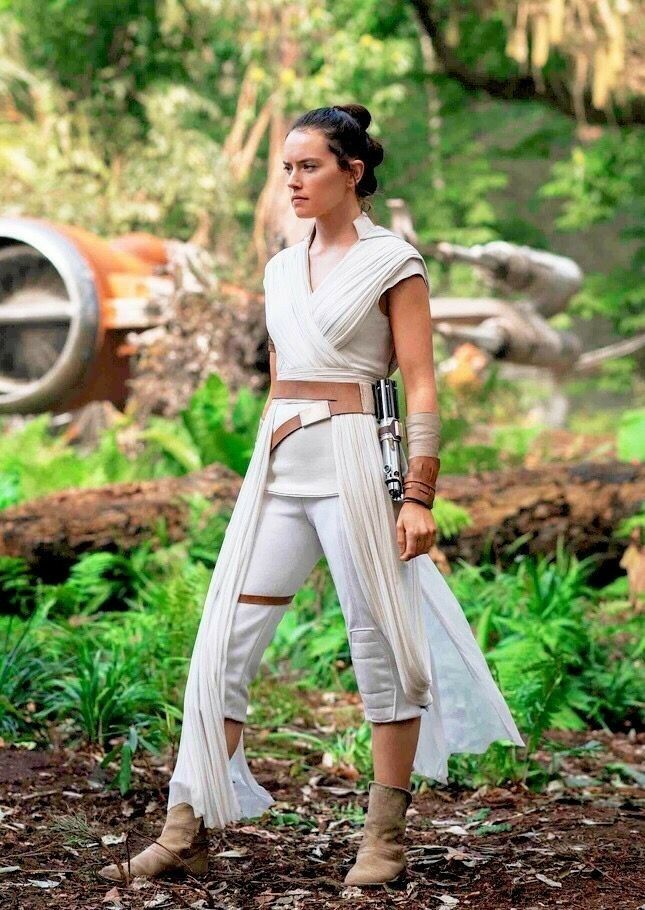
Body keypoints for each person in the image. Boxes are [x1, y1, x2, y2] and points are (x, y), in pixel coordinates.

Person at [99, 103, 525, 888]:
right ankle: (186, 824)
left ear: (351, 173)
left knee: (381, 643)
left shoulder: (393, 260)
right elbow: (279, 371)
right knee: (222, 641)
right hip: (280, 468)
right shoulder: (278, 266)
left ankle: (384, 839)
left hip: (359, 464)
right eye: (286, 168)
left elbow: (421, 381)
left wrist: (418, 492)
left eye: (308, 167)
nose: (292, 182)